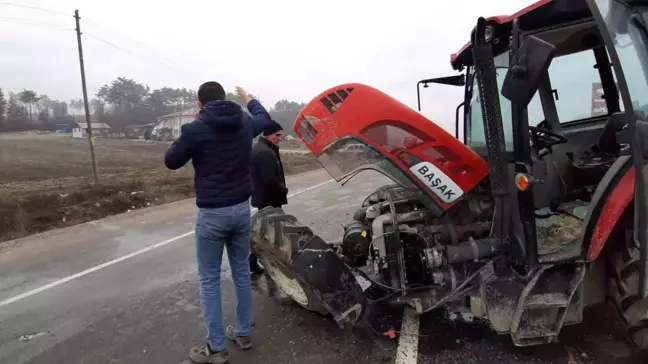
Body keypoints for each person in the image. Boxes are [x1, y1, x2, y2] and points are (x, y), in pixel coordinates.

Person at [164, 82, 273, 364]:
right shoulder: (244, 123)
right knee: (240, 273)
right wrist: (249, 98)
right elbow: (264, 119)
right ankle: (242, 333)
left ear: (200, 103)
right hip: (240, 210)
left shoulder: (196, 128)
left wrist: (191, 131)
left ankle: (215, 349)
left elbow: (172, 161)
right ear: (224, 99)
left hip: (212, 214)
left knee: (209, 280)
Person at [248, 121, 288, 273]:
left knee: (267, 233)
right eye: (277, 135)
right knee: (272, 234)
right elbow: (269, 179)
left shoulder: (263, 148)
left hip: (265, 198)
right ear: (268, 134)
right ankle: (275, 264)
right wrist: (283, 189)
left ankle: (253, 261)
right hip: (269, 200)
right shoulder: (264, 152)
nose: (279, 138)